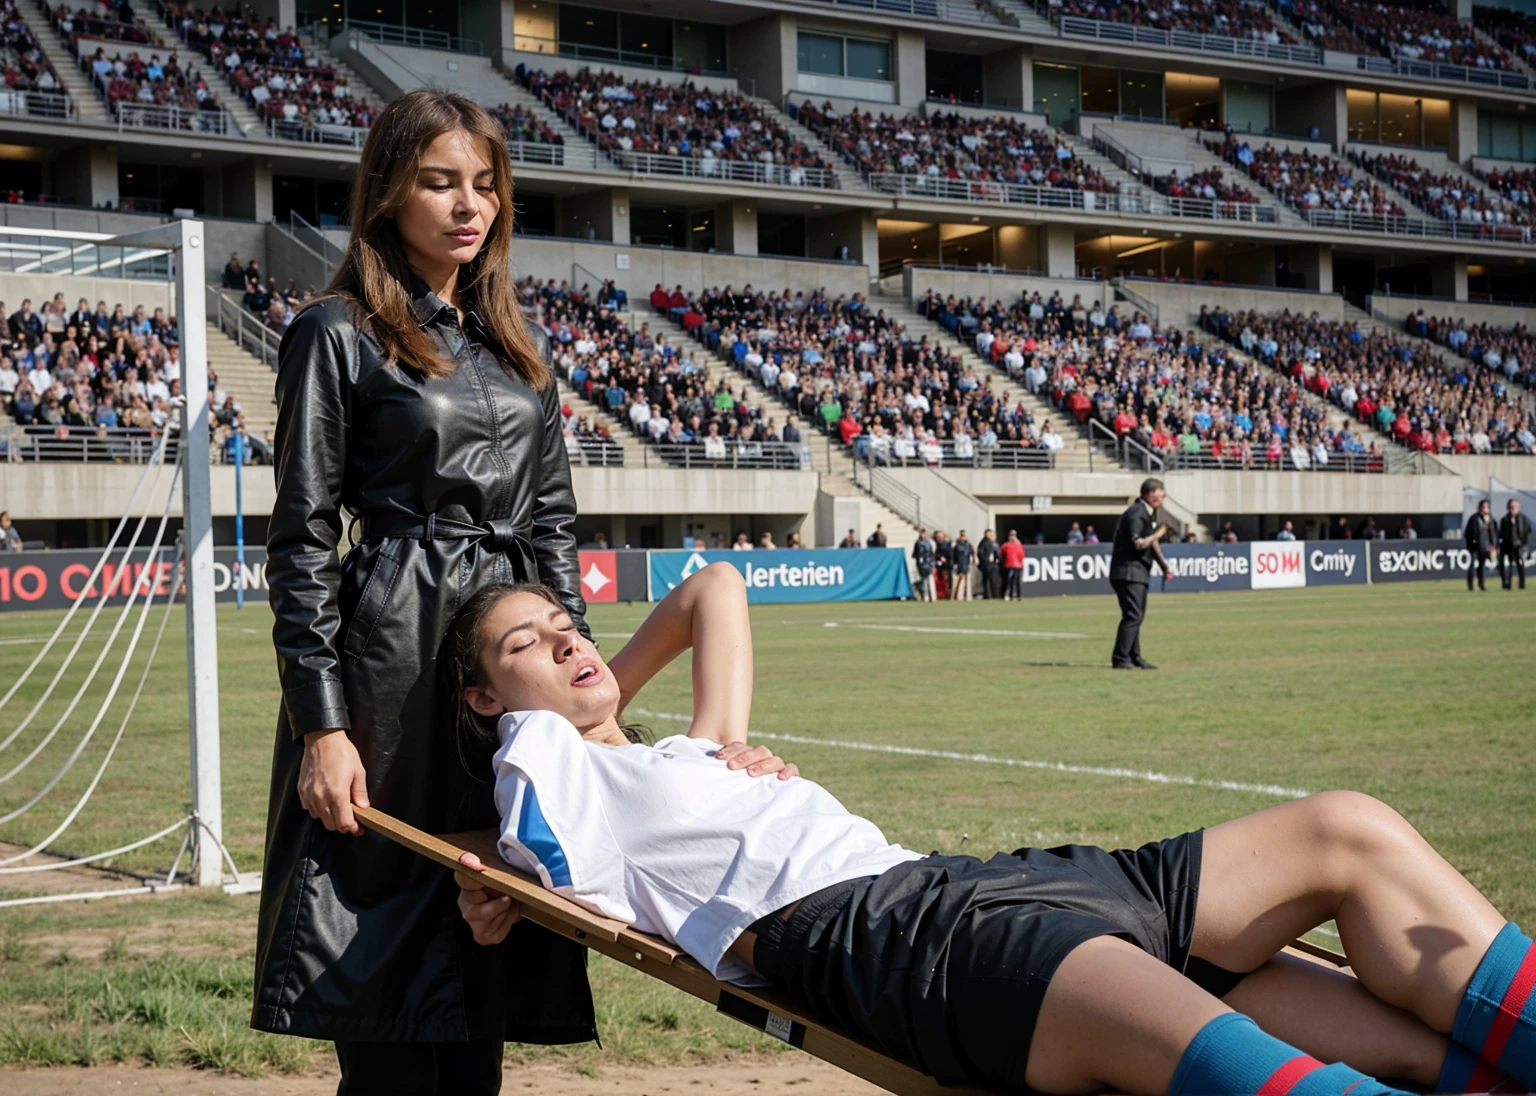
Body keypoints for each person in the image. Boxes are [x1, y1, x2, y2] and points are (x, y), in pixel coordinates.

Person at [450, 567, 1536, 1096]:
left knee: (1351, 833)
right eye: (524, 647)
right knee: (1257, 1072)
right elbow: (539, 848)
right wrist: (510, 847)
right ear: (486, 701)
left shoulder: (685, 756)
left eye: (569, 623)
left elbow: (717, 588)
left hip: (981, 886)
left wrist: (608, 693)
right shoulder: (548, 769)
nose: (565, 641)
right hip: (899, 949)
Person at [255, 89, 617, 1094]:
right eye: (441, 180)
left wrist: (580, 706)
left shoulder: (521, 355)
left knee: (489, 960)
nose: (471, 205)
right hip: (390, 677)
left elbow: (552, 533)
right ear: (388, 190)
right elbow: (302, 543)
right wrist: (323, 725)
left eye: (487, 184)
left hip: (504, 686)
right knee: (387, 983)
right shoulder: (334, 332)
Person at [1110, 479, 1172, 671]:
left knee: (1135, 615)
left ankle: (1134, 657)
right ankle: (1121, 658)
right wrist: (1157, 534)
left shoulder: (1147, 513)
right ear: (1150, 494)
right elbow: (1140, 543)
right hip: (1129, 571)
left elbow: (1151, 544)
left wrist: (1164, 566)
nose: (1163, 499)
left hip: (1135, 572)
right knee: (1133, 615)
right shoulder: (1137, 513)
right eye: (1160, 495)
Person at [1465, 500, 1496, 593]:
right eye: (1484, 507)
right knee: (1471, 566)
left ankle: (1481, 584)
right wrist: (1472, 542)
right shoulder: (1474, 519)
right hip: (1474, 547)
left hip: (1484, 547)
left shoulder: (1490, 519)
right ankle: (1470, 585)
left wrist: (1492, 545)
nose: (1485, 509)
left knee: (1481, 567)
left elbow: (1493, 533)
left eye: (1487, 507)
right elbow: (1467, 532)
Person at [1499, 499, 1530, 591]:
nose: (1513, 509)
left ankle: (1522, 584)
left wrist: (1523, 543)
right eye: (1511, 507)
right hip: (1508, 546)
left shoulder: (1522, 519)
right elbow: (1501, 533)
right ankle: (1507, 583)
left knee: (1520, 565)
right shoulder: (1505, 519)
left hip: (1518, 546)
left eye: (1515, 507)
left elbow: (1526, 532)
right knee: (1508, 566)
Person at [1000, 528, 1025, 601]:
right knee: (1010, 581)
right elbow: (1001, 554)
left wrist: (1021, 563)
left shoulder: (1018, 544)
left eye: (1013, 535)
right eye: (1011, 535)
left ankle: (1019, 595)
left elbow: (1022, 555)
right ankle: (1010, 595)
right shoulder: (1006, 545)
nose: (1012, 537)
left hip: (1017, 565)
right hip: (1009, 565)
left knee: (1017, 581)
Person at [950, 530, 974, 601]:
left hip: (967, 564)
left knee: (968, 582)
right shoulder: (955, 545)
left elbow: (972, 554)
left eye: (964, 536)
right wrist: (954, 564)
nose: (963, 537)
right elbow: (952, 555)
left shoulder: (969, 545)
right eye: (962, 535)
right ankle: (957, 596)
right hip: (958, 564)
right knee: (958, 582)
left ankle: (967, 596)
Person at [912, 529, 935, 602]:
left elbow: (931, 554)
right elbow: (915, 554)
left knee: (928, 581)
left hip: (928, 564)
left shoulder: (928, 543)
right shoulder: (918, 543)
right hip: (921, 565)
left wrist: (931, 562)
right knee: (923, 580)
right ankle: (925, 596)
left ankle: (931, 597)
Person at [976, 528, 999, 599]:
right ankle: (989, 595)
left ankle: (992, 594)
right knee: (988, 581)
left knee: (992, 581)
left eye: (991, 534)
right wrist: (985, 560)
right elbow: (980, 553)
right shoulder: (984, 543)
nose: (991, 535)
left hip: (991, 565)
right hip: (987, 565)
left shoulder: (993, 543)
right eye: (989, 534)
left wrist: (996, 558)